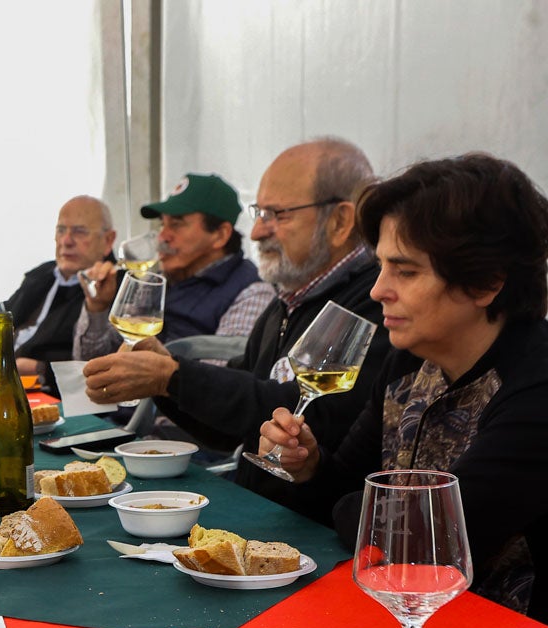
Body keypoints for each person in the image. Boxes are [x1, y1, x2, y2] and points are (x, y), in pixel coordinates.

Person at [256, 152, 548, 628]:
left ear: (487, 283)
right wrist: (309, 466)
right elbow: (352, 497)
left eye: (405, 271)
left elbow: (422, 542)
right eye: (381, 266)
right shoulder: (412, 358)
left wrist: (365, 510)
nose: (378, 290)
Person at [82, 138, 390, 514]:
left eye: (276, 214)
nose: (258, 232)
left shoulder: (377, 303)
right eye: (259, 213)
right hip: (256, 514)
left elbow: (308, 415)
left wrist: (172, 377)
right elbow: (232, 424)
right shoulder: (288, 302)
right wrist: (163, 382)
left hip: (310, 538)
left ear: (341, 221)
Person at [73, 173, 275, 361]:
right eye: (162, 224)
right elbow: (90, 361)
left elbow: (222, 382)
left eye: (177, 224)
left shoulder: (251, 292)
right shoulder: (155, 278)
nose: (162, 237)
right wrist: (98, 307)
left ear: (220, 234)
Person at [1, 195, 116, 389]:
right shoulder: (42, 274)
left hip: (56, 393)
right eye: (61, 230)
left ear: (107, 240)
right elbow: (1, 319)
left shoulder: (114, 288)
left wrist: (40, 368)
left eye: (79, 232)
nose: (66, 240)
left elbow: (101, 365)